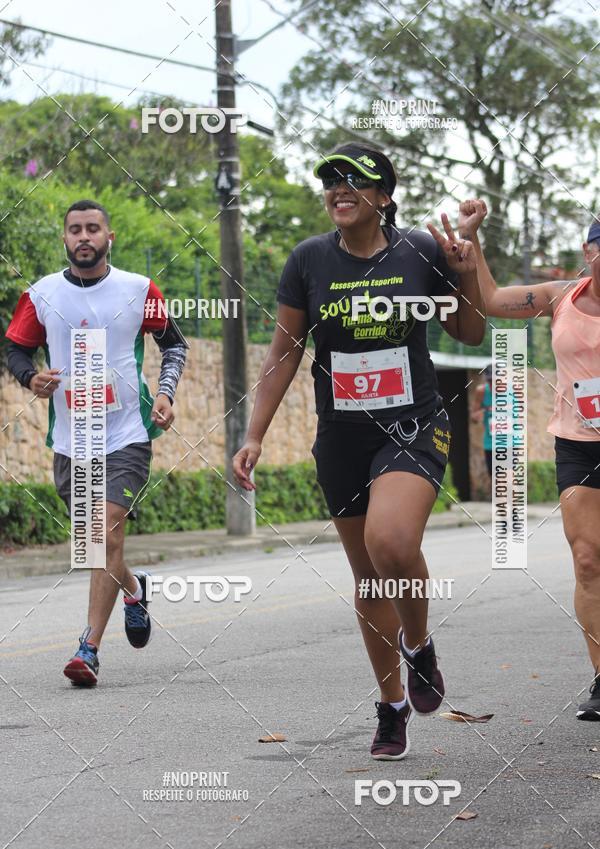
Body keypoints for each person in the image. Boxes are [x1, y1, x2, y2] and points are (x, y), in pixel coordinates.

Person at [233, 143, 485, 759]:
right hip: (342, 435)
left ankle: (420, 646)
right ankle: (391, 704)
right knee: (369, 579)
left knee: (391, 541)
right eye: (331, 180)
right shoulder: (309, 259)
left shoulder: (422, 251)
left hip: (414, 424)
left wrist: (470, 266)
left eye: (355, 180)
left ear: (384, 196)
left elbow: (471, 330)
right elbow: (283, 353)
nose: (339, 188)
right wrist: (254, 433)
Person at [5, 199, 187, 686]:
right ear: (64, 239)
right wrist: (29, 378)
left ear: (110, 237)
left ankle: (88, 648)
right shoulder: (41, 294)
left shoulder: (138, 289)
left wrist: (166, 393)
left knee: (104, 534)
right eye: (74, 230)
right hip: (71, 438)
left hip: (127, 433)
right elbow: (15, 348)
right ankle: (134, 587)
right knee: (95, 546)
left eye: (93, 229)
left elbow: (174, 342)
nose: (84, 237)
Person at [459, 198, 600, 720]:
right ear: (589, 251)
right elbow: (492, 299)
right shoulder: (562, 297)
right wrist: (474, 240)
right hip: (580, 444)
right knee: (588, 560)